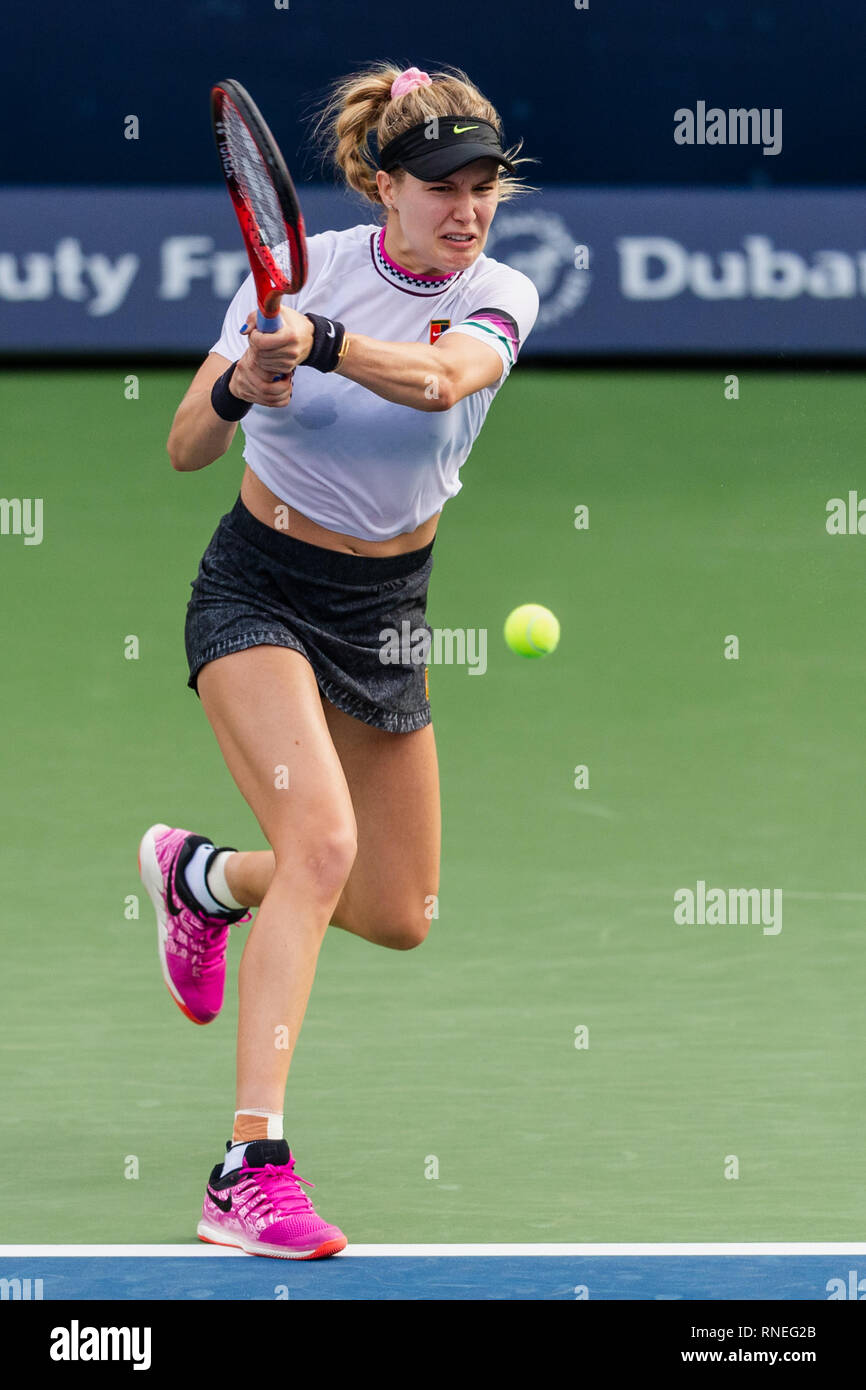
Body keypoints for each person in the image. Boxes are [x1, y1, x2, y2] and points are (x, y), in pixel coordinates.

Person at [138, 62, 539, 1260]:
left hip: (386, 608)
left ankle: (202, 880)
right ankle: (246, 1166)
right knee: (323, 841)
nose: (465, 209)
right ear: (380, 187)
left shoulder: (498, 292)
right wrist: (240, 378)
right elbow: (184, 447)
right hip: (258, 584)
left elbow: (438, 381)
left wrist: (317, 345)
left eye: (482, 187)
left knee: (397, 909)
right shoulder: (302, 274)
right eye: (439, 188)